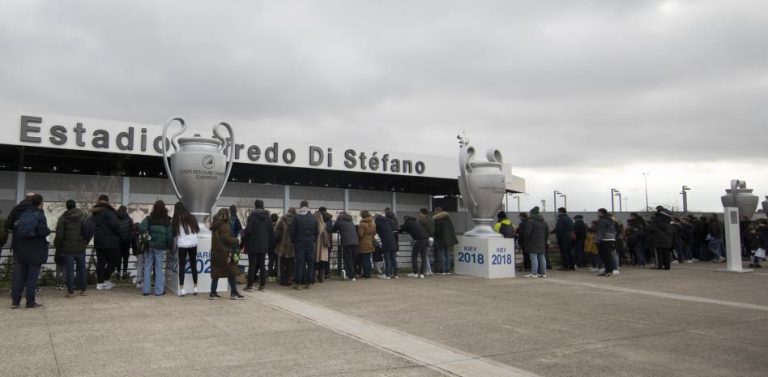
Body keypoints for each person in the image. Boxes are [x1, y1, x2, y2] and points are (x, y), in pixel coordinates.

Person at [10, 194, 50, 308]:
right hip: (35, 250)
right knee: (32, 278)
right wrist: (48, 231)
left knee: (20, 277)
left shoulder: (23, 214)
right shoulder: (40, 215)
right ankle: (30, 302)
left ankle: (15, 301)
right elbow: (42, 232)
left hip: (22, 249)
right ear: (40, 203)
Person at [54, 199, 88, 298]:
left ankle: (71, 292)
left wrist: (58, 245)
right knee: (82, 269)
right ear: (75, 205)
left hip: (68, 248)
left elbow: (60, 234)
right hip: (81, 247)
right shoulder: (83, 216)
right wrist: (85, 242)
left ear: (67, 207)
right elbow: (88, 230)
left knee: (69, 270)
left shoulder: (63, 218)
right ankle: (83, 290)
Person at [209, 208, 244, 300]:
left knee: (216, 273)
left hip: (215, 253)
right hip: (225, 253)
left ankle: (213, 293)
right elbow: (226, 239)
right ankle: (234, 293)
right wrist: (237, 240)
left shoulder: (215, 225)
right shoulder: (224, 226)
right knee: (232, 272)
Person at [139, 200, 172, 296]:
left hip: (149, 246)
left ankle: (146, 290)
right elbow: (169, 236)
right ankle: (159, 291)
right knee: (158, 268)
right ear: (164, 208)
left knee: (147, 267)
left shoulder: (149, 219)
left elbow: (141, 228)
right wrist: (169, 246)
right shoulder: (167, 220)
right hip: (161, 247)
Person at [91, 195, 122, 290]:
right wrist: (119, 235)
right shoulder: (109, 212)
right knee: (115, 260)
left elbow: (90, 225)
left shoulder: (94, 213)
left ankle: (100, 283)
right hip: (111, 241)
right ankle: (105, 278)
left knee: (101, 262)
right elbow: (115, 225)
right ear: (107, 201)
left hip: (98, 241)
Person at [243, 200, 272, 291]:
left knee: (252, 265)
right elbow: (271, 232)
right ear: (263, 206)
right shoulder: (268, 218)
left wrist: (244, 238)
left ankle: (250, 285)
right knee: (262, 265)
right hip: (263, 245)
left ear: (255, 206)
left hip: (253, 244)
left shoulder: (252, 217)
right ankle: (262, 285)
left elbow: (248, 231)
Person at [172, 202, 200, 296]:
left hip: (182, 244)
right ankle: (195, 288)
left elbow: (174, 233)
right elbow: (197, 229)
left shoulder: (176, 219)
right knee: (193, 265)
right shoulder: (192, 217)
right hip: (193, 243)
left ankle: (182, 289)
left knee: (182, 266)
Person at [291, 200, 317, 289]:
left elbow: (293, 231)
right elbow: (316, 231)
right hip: (310, 243)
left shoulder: (296, 217)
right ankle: (308, 283)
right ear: (307, 206)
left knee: (299, 263)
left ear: (300, 206)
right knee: (310, 263)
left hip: (299, 243)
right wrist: (313, 240)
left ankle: (298, 283)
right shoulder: (312, 217)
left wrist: (293, 241)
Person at [645, 206, 676, 270]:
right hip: (667, 239)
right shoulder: (667, 222)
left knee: (658, 253)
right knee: (666, 253)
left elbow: (650, 228)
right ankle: (667, 266)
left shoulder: (656, 220)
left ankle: (659, 265)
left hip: (657, 240)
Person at [522, 206, 548, 278]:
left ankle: (534, 273)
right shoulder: (544, 222)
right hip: (541, 242)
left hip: (532, 242)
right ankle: (543, 273)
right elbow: (547, 232)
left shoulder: (530, 221)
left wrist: (526, 240)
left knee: (533, 257)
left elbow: (528, 233)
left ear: (532, 213)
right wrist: (544, 240)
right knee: (542, 257)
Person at [332, 211, 359, 281]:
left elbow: (333, 229)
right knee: (353, 259)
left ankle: (351, 275)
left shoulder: (339, 221)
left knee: (348, 259)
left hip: (347, 242)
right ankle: (354, 273)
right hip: (355, 242)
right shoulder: (351, 221)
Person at [433, 207, 458, 274]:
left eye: (435, 211)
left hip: (441, 239)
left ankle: (442, 270)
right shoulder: (448, 219)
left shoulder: (438, 220)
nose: (434, 212)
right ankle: (447, 270)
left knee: (441, 255)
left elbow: (437, 230)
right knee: (447, 255)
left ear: (438, 212)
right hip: (448, 240)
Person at [274, 208, 296, 286]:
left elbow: (275, 230)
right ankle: (289, 280)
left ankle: (282, 280)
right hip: (291, 246)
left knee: (282, 264)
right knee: (290, 264)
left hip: (282, 245)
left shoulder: (282, 219)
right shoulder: (296, 220)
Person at [375, 212, 397, 279]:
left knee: (387, 258)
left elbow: (375, 231)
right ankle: (395, 274)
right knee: (393, 258)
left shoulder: (377, 222)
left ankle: (387, 275)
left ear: (376, 216)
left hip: (386, 241)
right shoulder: (387, 221)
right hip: (392, 241)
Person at [596, 208, 617, 276]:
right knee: (608, 256)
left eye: (598, 212)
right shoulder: (610, 219)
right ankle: (609, 270)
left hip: (604, 239)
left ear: (602, 213)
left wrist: (598, 239)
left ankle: (608, 271)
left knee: (605, 256)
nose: (597, 214)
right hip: (611, 238)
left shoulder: (602, 220)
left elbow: (601, 230)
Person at [357, 210, 376, 279]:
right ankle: (368, 274)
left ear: (362, 215)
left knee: (365, 259)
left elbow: (360, 234)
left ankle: (366, 274)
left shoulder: (362, 224)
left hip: (363, 243)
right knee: (368, 259)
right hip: (370, 242)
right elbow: (374, 233)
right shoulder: (373, 223)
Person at [116, 205, 133, 279]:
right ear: (126, 210)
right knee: (125, 258)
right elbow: (132, 229)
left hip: (118, 241)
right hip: (126, 241)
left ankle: (118, 272)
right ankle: (125, 273)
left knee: (118, 257)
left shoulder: (115, 218)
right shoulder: (129, 219)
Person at [313, 210, 330, 283]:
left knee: (315, 261)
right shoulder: (324, 225)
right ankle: (321, 278)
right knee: (322, 261)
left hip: (316, 245)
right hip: (323, 246)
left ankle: (314, 277)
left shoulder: (314, 224)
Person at [317, 207, 334, 281]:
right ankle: (326, 274)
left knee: (319, 258)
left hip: (320, 241)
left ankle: (320, 274)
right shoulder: (330, 220)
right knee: (327, 259)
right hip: (328, 241)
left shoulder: (320, 219)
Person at [418, 208, 435, 275]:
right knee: (426, 255)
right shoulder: (431, 219)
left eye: (419, 213)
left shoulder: (422, 221)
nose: (419, 214)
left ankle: (427, 270)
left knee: (424, 255)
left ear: (422, 213)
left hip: (425, 238)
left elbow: (419, 230)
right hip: (432, 238)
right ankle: (429, 270)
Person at [268, 213, 279, 282]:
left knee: (270, 262)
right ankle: (275, 276)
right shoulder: (278, 227)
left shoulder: (268, 227)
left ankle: (270, 277)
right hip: (277, 247)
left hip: (269, 247)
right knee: (276, 262)